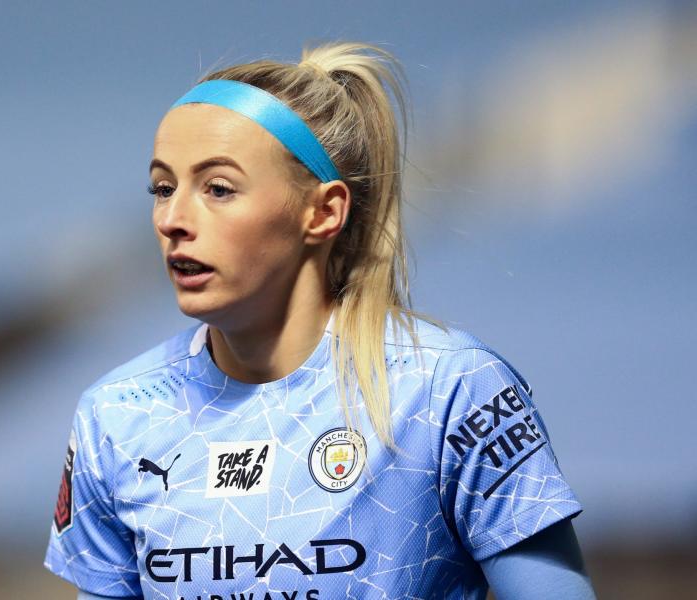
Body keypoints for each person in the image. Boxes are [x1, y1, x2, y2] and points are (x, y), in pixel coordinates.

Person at [43, 41, 597, 599]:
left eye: (218, 188)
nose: (173, 219)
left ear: (324, 211)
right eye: (163, 188)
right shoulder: (116, 416)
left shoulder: (447, 390)